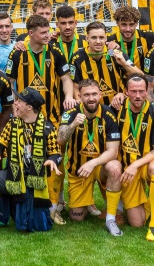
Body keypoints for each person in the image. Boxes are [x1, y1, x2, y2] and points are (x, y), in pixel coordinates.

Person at [4, 14, 76, 223]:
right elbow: (9, 82)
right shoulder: (17, 54)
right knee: (23, 159)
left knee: (54, 160)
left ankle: (54, 206)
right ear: (31, 33)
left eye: (48, 31)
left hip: (50, 118)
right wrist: (15, 107)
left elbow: (65, 78)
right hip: (25, 119)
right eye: (43, 33)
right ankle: (24, 203)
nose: (48, 35)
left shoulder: (55, 51)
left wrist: (69, 96)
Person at [0, 88, 61, 237]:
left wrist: (52, 161)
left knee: (31, 226)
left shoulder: (47, 128)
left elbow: (56, 153)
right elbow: (0, 142)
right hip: (12, 176)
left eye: (19, 101)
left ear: (29, 107)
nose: (16, 104)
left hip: (34, 182)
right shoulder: (12, 123)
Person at [57, 79, 123, 235]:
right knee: (76, 217)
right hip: (78, 170)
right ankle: (87, 202)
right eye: (87, 95)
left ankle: (111, 218)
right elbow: (60, 139)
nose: (91, 98)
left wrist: (93, 163)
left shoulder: (109, 115)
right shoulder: (70, 113)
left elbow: (113, 152)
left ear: (100, 95)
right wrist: (72, 125)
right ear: (79, 96)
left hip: (99, 167)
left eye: (94, 94)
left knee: (114, 167)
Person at [110, 74, 154, 240]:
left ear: (147, 90)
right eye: (133, 91)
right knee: (136, 222)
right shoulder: (116, 108)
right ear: (126, 91)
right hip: (125, 167)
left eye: (141, 91)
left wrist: (135, 165)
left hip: (144, 164)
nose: (137, 95)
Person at [70, 21, 129, 105]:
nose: (98, 41)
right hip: (91, 108)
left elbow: (136, 76)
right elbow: (75, 87)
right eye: (94, 37)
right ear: (87, 38)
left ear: (106, 38)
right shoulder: (77, 58)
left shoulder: (117, 54)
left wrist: (123, 94)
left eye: (101, 37)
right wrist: (81, 106)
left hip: (117, 106)